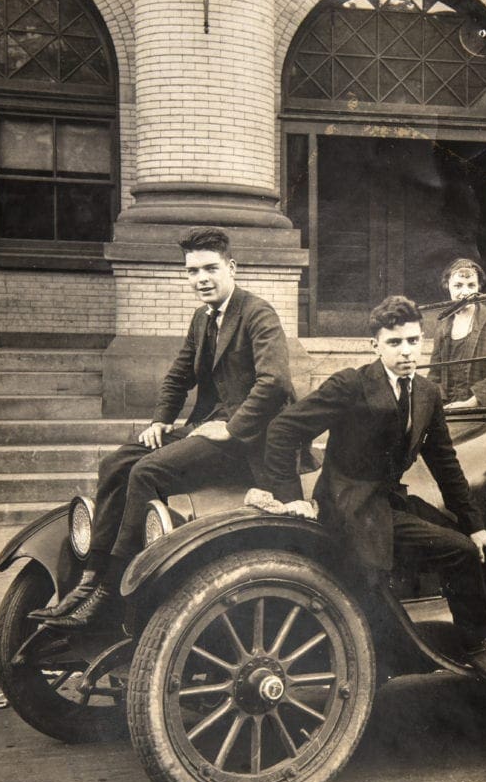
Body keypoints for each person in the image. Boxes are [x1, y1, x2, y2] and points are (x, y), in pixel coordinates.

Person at [259, 295, 486, 683]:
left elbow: (445, 464)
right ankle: (475, 647)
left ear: (422, 341)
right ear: (375, 345)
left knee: (474, 540)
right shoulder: (351, 384)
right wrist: (291, 501)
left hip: (387, 502)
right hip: (350, 506)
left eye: (412, 341)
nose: (405, 351)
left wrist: (473, 522)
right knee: (458, 552)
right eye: (394, 343)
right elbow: (283, 429)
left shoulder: (425, 392)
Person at [33, 227, 293, 633]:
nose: (201, 279)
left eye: (210, 268)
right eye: (192, 271)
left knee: (148, 472)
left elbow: (274, 382)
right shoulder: (202, 318)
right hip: (205, 428)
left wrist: (233, 428)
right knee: (117, 462)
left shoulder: (257, 313)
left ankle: (113, 589)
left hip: (251, 441)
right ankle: (92, 575)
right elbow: (177, 376)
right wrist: (159, 420)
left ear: (232, 267)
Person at [428, 258, 486, 410]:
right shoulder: (443, 323)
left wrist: (471, 403)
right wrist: (436, 404)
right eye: (458, 286)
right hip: (446, 406)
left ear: (479, 287)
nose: (465, 292)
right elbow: (435, 373)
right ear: (448, 286)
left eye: (471, 285)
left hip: (480, 408)